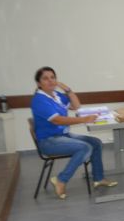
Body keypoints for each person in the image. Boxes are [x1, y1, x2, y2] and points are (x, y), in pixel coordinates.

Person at [30, 67, 117, 199]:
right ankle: (61, 180)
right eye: (45, 78)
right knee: (85, 147)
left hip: (63, 135)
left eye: (52, 77)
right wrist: (84, 119)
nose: (50, 81)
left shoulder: (56, 95)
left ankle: (98, 178)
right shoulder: (39, 100)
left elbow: (76, 106)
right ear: (38, 83)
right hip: (48, 141)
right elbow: (57, 120)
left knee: (96, 143)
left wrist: (68, 90)